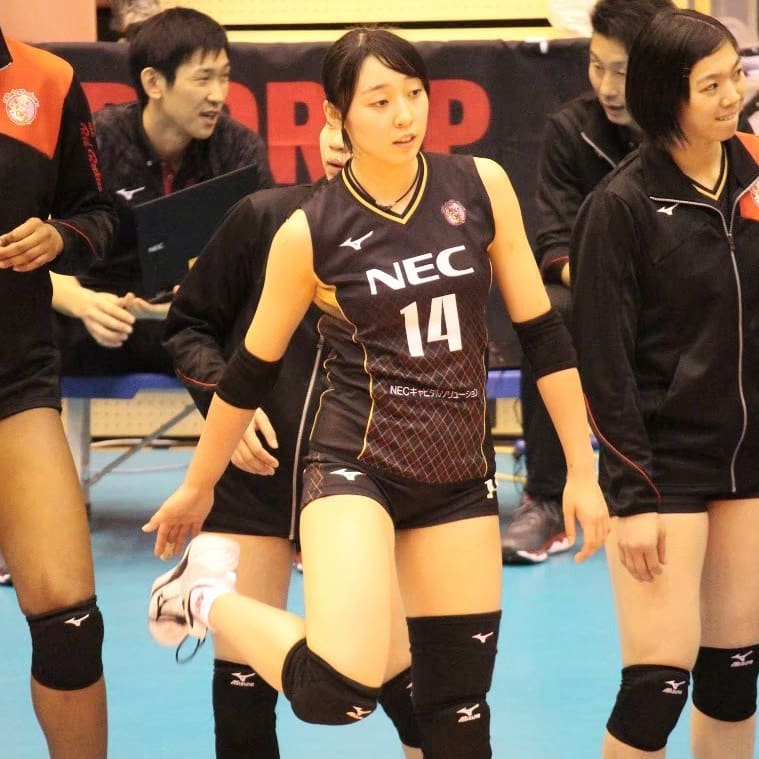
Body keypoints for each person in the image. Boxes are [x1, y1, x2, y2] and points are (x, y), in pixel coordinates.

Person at [144, 27, 609, 759]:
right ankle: (201, 595)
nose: (404, 115)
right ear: (337, 116)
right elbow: (249, 371)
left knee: (457, 720)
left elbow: (544, 334)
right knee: (338, 689)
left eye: (414, 94)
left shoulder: (479, 185)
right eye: (380, 100)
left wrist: (581, 468)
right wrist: (198, 486)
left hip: (457, 475)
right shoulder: (308, 230)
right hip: (353, 466)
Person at [161, 119, 422, 758]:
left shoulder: (425, 237)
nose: (339, 140)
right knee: (245, 701)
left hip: (365, 483)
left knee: (408, 698)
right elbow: (188, 326)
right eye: (332, 121)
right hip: (259, 476)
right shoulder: (263, 217)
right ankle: (199, 593)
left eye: (355, 122)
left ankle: (201, 597)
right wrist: (226, 402)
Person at [571, 10, 759, 757]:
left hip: (747, 463)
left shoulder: (755, 173)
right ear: (663, 96)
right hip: (663, 470)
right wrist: (633, 495)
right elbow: (604, 362)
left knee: (732, 679)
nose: (731, 95)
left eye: (734, 76)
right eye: (709, 86)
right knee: (655, 690)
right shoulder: (620, 206)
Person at [501, 0, 678, 564]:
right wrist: (611, 290)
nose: (606, 86)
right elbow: (554, 243)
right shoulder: (571, 131)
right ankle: (548, 499)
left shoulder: (695, 130)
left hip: (688, 294)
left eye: (621, 70)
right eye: (597, 66)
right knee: (549, 313)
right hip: (598, 294)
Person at [0, 26, 117, 759]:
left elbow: (98, 213)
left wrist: (60, 239)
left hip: (13, 381)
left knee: (71, 627)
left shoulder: (46, 80)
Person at [51, 7, 272, 378]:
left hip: (193, 322)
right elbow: (38, 245)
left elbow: (266, 259)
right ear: (154, 83)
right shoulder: (97, 142)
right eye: (203, 79)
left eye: (224, 77)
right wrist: (84, 303)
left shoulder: (239, 150)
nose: (218, 95)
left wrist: (202, 297)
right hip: (98, 314)